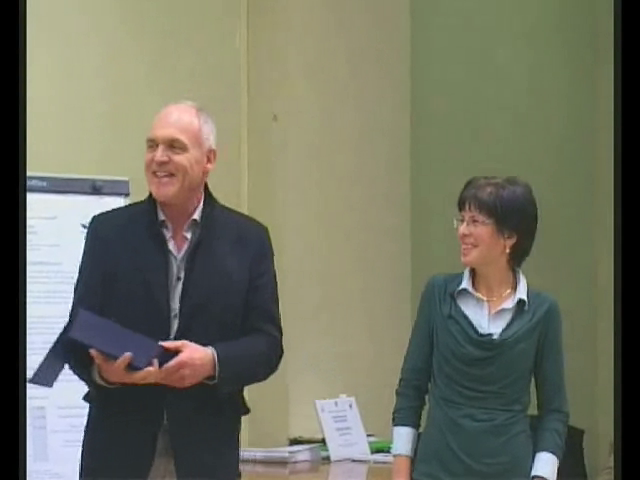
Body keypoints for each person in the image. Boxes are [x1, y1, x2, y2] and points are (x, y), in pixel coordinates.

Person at [62, 101, 284, 479]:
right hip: (119, 449)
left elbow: (267, 345)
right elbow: (76, 334)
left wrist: (210, 362)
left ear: (208, 159)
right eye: (152, 146)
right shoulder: (109, 233)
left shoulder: (247, 240)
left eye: (175, 147)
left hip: (206, 452)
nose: (159, 158)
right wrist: (106, 373)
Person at [391, 176, 569, 480]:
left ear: (509, 236)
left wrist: (541, 475)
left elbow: (554, 411)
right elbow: (411, 390)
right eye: (461, 220)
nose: (463, 231)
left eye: (475, 222)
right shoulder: (437, 295)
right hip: (436, 472)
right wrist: (400, 471)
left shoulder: (543, 312)